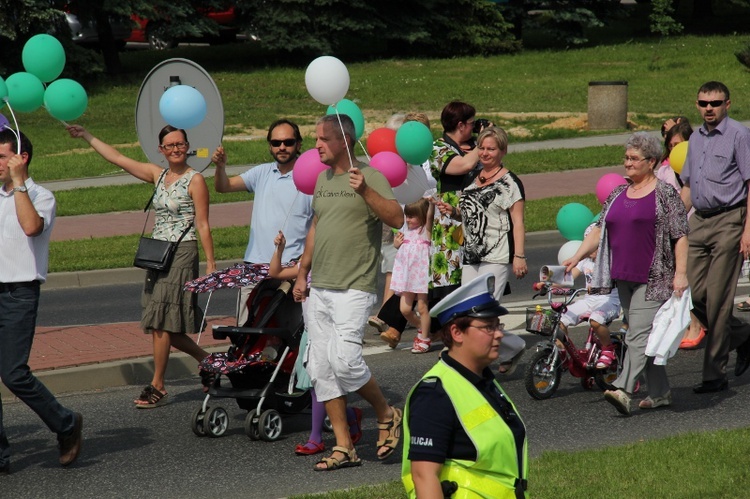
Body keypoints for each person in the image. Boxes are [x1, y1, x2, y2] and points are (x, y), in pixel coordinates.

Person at [67, 124, 216, 407]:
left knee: (161, 320)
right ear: (161, 150)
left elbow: (203, 223)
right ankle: (208, 361)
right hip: (158, 253)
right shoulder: (157, 175)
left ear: (187, 146)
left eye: (180, 144)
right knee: (164, 324)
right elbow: (117, 159)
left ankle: (158, 385)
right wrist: (87, 135)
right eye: (170, 145)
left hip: (183, 252)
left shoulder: (195, 180)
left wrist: (210, 263)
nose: (175, 149)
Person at [293, 114, 404, 471]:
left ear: (343, 141)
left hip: (354, 287)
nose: (317, 145)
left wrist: (365, 192)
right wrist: (302, 272)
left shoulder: (370, 177)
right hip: (319, 288)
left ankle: (387, 413)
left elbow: (397, 219)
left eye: (322, 139)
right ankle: (344, 447)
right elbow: (317, 225)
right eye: (315, 139)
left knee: (345, 361)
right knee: (322, 369)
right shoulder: (323, 180)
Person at [565, 131, 689, 415]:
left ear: (652, 162)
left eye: (634, 158)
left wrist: (680, 274)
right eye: (626, 157)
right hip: (622, 277)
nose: (628, 163)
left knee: (636, 334)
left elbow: (681, 235)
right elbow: (599, 229)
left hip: (654, 277)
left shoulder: (665, 194)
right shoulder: (618, 193)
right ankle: (660, 393)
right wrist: (577, 256)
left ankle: (622, 388)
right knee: (639, 333)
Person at [0, 129, 83, 471]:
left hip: (18, 293)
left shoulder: (41, 196)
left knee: (13, 374)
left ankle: (66, 423)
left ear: (22, 158)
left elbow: (31, 227)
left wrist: (18, 185)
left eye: (2, 156)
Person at [401, 274, 528, 498]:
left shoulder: (482, 380)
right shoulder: (434, 393)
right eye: (488, 327)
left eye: (498, 325)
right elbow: (423, 475)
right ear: (457, 333)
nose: (499, 334)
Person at [436, 126, 528, 374]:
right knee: (466, 312)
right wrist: (453, 211)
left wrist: (518, 256)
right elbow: (469, 213)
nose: (485, 153)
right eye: (482, 148)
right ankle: (513, 346)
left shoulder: (510, 182)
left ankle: (477, 364)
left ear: (502, 151)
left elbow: (517, 222)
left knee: (485, 313)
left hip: (496, 257)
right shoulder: (472, 178)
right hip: (471, 256)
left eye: (491, 149)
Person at [679, 81, 750, 393]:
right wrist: (674, 226)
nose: (709, 108)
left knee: (719, 299)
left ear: (727, 104)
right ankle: (744, 335)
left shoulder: (739, 135)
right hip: (699, 222)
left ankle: (713, 375)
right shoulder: (695, 138)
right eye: (703, 103)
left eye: (715, 103)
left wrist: (748, 230)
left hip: (730, 221)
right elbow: (688, 187)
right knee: (689, 294)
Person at [268, 231, 362, 456]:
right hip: (310, 332)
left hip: (328, 332)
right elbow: (275, 272)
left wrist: (307, 290)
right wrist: (279, 249)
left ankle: (316, 438)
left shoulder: (334, 266)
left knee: (318, 388)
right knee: (316, 386)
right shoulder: (304, 266)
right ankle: (350, 415)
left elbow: (334, 295)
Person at [212, 119, 314, 327]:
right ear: (269, 145)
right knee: (245, 330)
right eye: (276, 143)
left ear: (299, 144)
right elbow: (224, 186)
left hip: (290, 268)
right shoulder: (261, 172)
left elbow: (319, 225)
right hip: (255, 265)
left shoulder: (309, 178)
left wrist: (304, 266)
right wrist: (220, 168)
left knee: (288, 331)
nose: (282, 147)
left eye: (288, 142)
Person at [659, 117, 707, 350]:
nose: (674, 150)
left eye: (679, 145)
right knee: (679, 280)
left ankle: (697, 325)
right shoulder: (665, 171)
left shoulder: (699, 169)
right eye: (670, 146)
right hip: (674, 230)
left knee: (693, 280)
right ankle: (690, 323)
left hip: (695, 226)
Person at [559, 225, 621, 369]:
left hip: (610, 301)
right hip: (590, 300)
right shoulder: (585, 261)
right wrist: (547, 284)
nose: (591, 250)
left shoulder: (611, 261)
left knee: (595, 321)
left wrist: (599, 285)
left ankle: (608, 349)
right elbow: (569, 277)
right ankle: (562, 352)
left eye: (596, 246)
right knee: (559, 320)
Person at [390, 198, 434, 353]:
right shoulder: (405, 230)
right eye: (407, 215)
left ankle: (424, 339)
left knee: (422, 307)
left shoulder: (425, 230)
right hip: (407, 276)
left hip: (421, 276)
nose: (408, 219)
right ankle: (422, 327)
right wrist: (396, 244)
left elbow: (429, 217)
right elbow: (399, 248)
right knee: (405, 309)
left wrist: (431, 204)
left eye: (412, 216)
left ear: (421, 216)